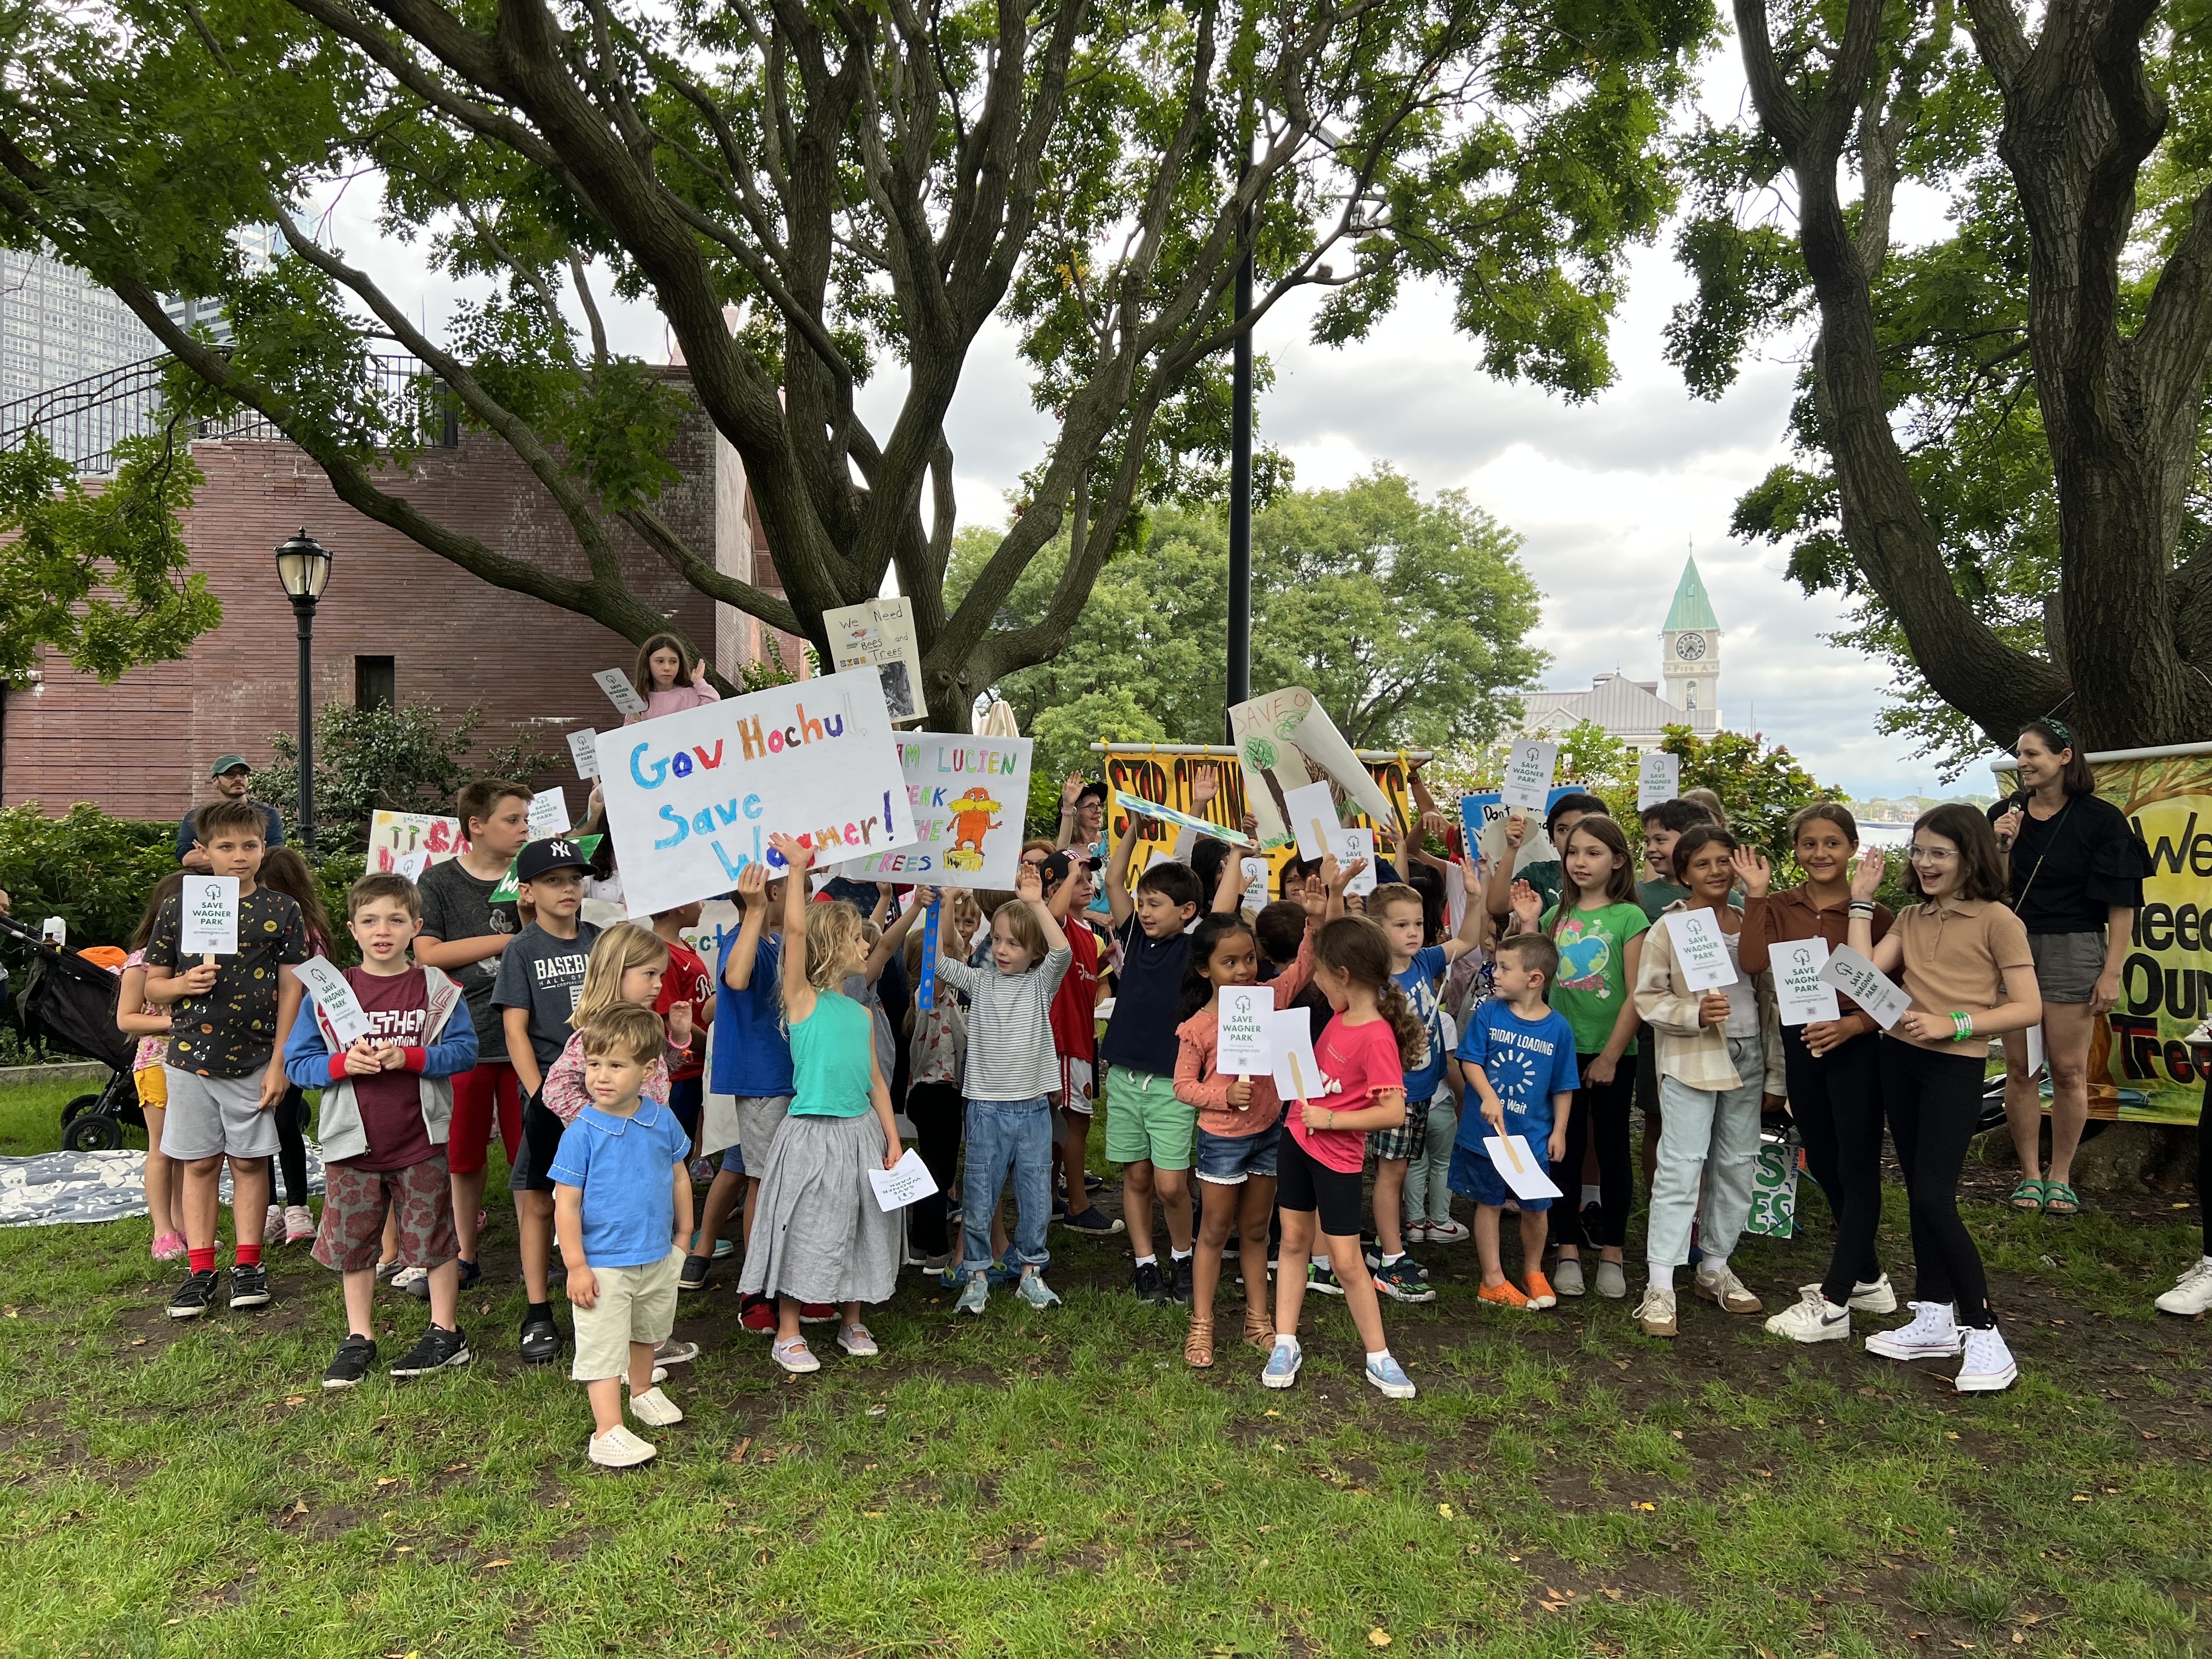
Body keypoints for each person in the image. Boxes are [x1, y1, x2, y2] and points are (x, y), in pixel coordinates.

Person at [1847, 812, 2039, 1389]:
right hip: (1899, 1060)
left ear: (1969, 856)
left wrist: (1953, 1024)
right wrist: (1861, 903)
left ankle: (1985, 1332)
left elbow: (2028, 1007)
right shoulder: (1911, 916)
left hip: (1955, 1067)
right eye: (1919, 851)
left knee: (1934, 1197)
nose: (1925, 863)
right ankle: (1933, 1316)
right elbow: (1858, 975)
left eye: (1940, 853)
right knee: (1918, 1191)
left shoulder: (1999, 920)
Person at [285, 871, 479, 1387]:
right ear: (353, 929)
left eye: (396, 920)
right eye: (370, 921)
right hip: (352, 1143)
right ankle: (359, 1336)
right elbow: (298, 1064)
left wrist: (412, 1057)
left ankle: (446, 1331)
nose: (383, 931)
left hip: (420, 1139)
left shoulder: (437, 989)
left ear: (416, 926)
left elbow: (464, 1052)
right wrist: (341, 1065)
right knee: (355, 1241)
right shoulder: (329, 992)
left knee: (435, 1236)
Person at [737, 836, 904, 1374]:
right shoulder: (802, 1000)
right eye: (857, 938)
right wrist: (798, 869)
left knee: (860, 1223)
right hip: (811, 1134)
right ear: (831, 947)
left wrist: (892, 1140)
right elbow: (796, 931)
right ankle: (788, 1331)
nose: (867, 945)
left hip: (861, 1134)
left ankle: (851, 1319)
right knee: (806, 1227)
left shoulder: (861, 1014)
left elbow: (876, 1082)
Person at [143, 799, 310, 1318]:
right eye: (226, 846)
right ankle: (200, 1269)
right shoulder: (180, 907)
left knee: (249, 1160)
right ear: (203, 851)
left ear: (264, 848)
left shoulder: (283, 910)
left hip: (256, 1058)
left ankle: (248, 1263)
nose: (239, 856)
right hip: (189, 1058)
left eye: (250, 846)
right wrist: (182, 984)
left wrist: (281, 1061)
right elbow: (152, 985)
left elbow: (292, 989)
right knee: (198, 1162)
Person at [1739, 804, 1899, 1344]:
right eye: (1809, 843)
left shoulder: (1875, 913)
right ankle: (1870, 1278)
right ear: (1796, 850)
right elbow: (1754, 962)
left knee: (1857, 1166)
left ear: (1851, 847)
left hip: (1855, 1046)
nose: (1820, 853)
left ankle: (1836, 1297)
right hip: (1801, 1041)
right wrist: (1756, 894)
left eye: (1832, 843)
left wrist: (1854, 1026)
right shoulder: (1781, 905)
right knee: (1825, 1160)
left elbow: (1894, 995)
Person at [1173, 861, 1344, 1367]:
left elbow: (1305, 967)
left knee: (1255, 1231)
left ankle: (1258, 1321)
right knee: (1213, 1231)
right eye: (1229, 963)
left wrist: (1314, 920)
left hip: (1269, 1132)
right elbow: (1183, 1086)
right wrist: (1223, 1097)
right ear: (1205, 970)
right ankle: (1202, 1325)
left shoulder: (1269, 998)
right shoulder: (1198, 1027)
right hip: (1223, 1139)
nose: (1244, 970)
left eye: (1249, 959)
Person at [1631, 822, 1784, 1338]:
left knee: (1738, 1163)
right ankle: (1660, 1283)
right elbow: (1648, 998)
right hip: (1692, 1056)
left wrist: (1777, 1073)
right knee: (1681, 1164)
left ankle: (1714, 1266)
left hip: (1748, 1055)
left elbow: (1771, 1000)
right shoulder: (1670, 928)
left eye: (1724, 861)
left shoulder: (1752, 919)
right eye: (1702, 864)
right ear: (1684, 874)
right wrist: (1693, 1012)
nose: (1716, 872)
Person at [1989, 719, 2147, 1218]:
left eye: (2032, 753)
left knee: (2069, 1070)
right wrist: (2001, 846)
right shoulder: (2004, 816)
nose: (2023, 762)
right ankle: (2029, 1175)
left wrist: (2111, 972)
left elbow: (2122, 905)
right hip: (2012, 947)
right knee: (2021, 1069)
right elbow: (1990, 892)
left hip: (2075, 946)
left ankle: (2061, 1176)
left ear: (2064, 757)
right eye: (2019, 754)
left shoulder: (2102, 820)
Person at [1262, 915, 1425, 1399]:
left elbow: (1392, 1112)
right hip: (1298, 1140)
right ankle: (1285, 1342)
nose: (1314, 981)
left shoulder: (1376, 1035)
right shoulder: (1340, 1015)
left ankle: (1379, 1356)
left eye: (1318, 972)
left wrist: (1331, 1120)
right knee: (1293, 1241)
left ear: (1344, 975)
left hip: (1336, 1158)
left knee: (1348, 1261)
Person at [1100, 781, 1243, 1305]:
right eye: (1141, 902)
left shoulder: (1195, 946)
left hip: (1171, 1083)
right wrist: (1135, 829)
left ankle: (1183, 1257)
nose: (1144, 910)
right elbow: (1113, 879)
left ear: (1186, 911)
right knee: (1136, 1178)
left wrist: (1238, 854)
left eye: (1155, 904)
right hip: (1125, 1076)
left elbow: (1222, 905)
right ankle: (1145, 1263)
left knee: (1170, 1184)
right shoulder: (1134, 937)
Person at [550, 1002, 695, 1469]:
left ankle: (642, 1390)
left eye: (616, 1065)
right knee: (604, 1344)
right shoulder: (581, 1133)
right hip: (603, 1263)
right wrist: (576, 1265)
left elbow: (679, 1176)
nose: (601, 1076)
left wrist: (685, 1232)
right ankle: (607, 1430)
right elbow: (566, 1204)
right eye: (594, 1064)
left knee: (646, 1330)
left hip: (656, 1252)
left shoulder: (661, 1119)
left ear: (648, 1070)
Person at [1513, 815, 1647, 1301]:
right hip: (1561, 1054)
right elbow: (1534, 982)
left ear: (1618, 860)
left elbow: (1637, 994)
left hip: (1613, 1053)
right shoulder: (1556, 917)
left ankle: (1613, 1251)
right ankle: (1566, 1247)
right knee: (1563, 1149)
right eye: (1573, 852)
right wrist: (1531, 923)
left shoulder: (1630, 918)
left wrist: (1610, 1055)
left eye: (1593, 852)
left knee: (1612, 1150)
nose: (1580, 862)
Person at [937, 861, 1074, 1314]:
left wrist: (1036, 903)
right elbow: (937, 964)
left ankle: (1031, 1272)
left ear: (1033, 952)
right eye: (996, 939)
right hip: (985, 1108)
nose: (1000, 949)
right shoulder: (979, 982)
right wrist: (940, 906)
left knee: (1036, 1194)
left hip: (1032, 1108)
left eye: (1013, 943)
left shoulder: (1040, 984)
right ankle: (976, 1275)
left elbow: (1062, 953)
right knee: (979, 1192)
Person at [414, 780, 535, 1285]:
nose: (525, 828)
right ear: (476, 826)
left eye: (526, 819)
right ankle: (465, 1254)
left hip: (527, 1040)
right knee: (463, 1158)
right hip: (463, 1041)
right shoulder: (438, 881)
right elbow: (428, 953)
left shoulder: (532, 874)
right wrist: (508, 940)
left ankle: (535, 1254)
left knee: (530, 1153)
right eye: (513, 819)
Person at [492, 836, 603, 1364]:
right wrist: (541, 1095)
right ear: (528, 891)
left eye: (574, 879)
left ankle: (604, 1300)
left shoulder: (601, 941)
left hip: (605, 1094)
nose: (567, 889)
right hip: (548, 1097)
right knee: (539, 1201)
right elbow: (515, 1030)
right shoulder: (522, 949)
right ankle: (538, 1311)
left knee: (601, 1197)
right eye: (554, 880)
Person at [1362, 867, 1485, 1303]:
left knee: (1397, 1169)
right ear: (1377, 928)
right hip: (1393, 1093)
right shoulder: (1373, 978)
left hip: (1421, 1091)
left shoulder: (1425, 961)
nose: (1414, 932)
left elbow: (1467, 940)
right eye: (1402, 925)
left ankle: (1385, 1247)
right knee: (1391, 1172)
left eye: (1417, 923)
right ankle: (1392, 1263)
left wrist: (1474, 897)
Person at [687, 861, 794, 1327]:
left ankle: (779, 1277)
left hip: (783, 1076)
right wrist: (753, 911)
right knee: (762, 1181)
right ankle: (757, 1289)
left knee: (777, 1179)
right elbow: (736, 978)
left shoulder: (774, 941)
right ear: (770, 895)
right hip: (761, 1081)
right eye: (793, 888)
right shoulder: (742, 939)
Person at [1451, 932, 1579, 1308]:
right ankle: (1492, 1280)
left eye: (1505, 968)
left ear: (1534, 979)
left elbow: (1564, 1086)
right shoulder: (1488, 1013)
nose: (1495, 974)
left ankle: (1533, 1271)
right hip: (1487, 1135)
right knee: (1488, 1203)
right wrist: (1488, 1096)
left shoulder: (1559, 1029)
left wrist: (1559, 1132)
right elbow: (1470, 1060)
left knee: (1537, 1206)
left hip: (1532, 1138)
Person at [257, 845, 334, 1247]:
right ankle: (269, 1207)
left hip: (294, 1040)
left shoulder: (310, 933)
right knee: (259, 1124)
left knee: (285, 1122)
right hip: (254, 1038)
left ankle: (298, 1207)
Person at [1041, 851, 1119, 1235]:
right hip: (1064, 1040)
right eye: (1078, 880)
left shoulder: (1088, 934)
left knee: (1066, 1123)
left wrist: (1105, 961)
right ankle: (1078, 1205)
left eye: (1089, 879)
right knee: (1076, 1122)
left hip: (1082, 1038)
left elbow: (1087, 981)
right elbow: (1050, 913)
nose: (1089, 886)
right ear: (1054, 888)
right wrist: (1070, 874)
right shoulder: (1057, 925)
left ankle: (1053, 1198)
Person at [900, 890, 977, 1274]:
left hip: (932, 1094)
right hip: (936, 1094)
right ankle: (935, 1252)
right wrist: (943, 907)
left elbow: (950, 949)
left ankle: (919, 1243)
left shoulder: (933, 995)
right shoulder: (931, 994)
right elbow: (946, 951)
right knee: (937, 1174)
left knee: (937, 1168)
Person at [117, 872, 189, 1262]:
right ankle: (163, 1230)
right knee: (162, 1148)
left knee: (190, 1148)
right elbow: (126, 1019)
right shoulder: (142, 962)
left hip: (199, 1063)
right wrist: (175, 1023)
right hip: (157, 1062)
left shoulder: (206, 958)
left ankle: (184, 1225)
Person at [646, 901, 716, 1165]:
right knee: (673, 1150)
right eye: (697, 899)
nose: (703, 905)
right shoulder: (662, 954)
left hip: (697, 1065)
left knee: (687, 1142)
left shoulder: (682, 946)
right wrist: (712, 1045)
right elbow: (670, 1021)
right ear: (680, 907)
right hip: (681, 1071)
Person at [1482, 791, 1609, 918]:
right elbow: (1497, 906)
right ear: (1552, 839)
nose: (1572, 836)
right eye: (1563, 830)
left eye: (1582, 827)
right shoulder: (1538, 874)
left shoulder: (1616, 878)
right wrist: (1511, 848)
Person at [176, 755, 284, 872]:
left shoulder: (268, 815)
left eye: (243, 774)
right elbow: (187, 858)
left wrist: (216, 854)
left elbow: (272, 857)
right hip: (211, 883)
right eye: (230, 774)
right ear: (215, 781)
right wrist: (251, 855)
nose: (238, 779)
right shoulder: (198, 817)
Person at [624, 631, 721, 723]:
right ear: (647, 665)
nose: (667, 668)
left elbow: (714, 708)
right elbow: (627, 734)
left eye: (673, 662)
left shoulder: (690, 696)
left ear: (680, 666)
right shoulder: (638, 703)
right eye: (660, 661)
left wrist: (699, 682)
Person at [1056, 775, 1109, 855]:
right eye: (1091, 806)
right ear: (1076, 813)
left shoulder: (1112, 837)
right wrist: (1069, 806)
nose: (1099, 810)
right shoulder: (1068, 851)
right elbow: (1060, 855)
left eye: (1099, 805)